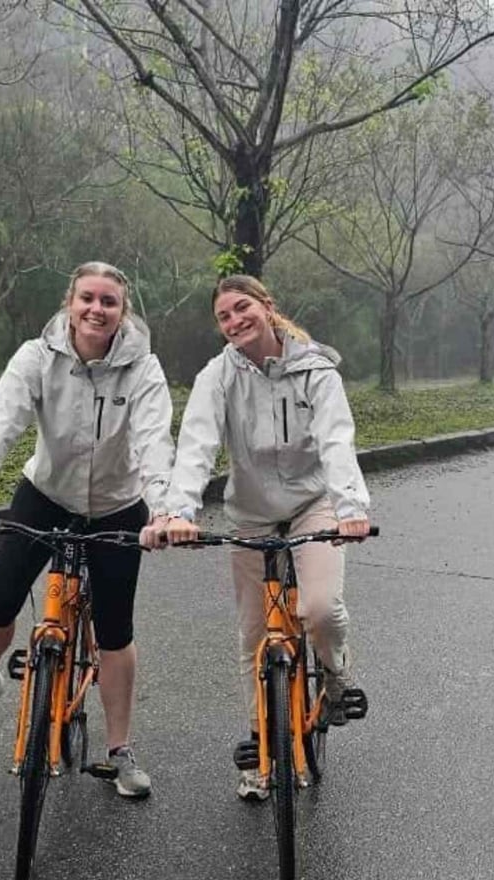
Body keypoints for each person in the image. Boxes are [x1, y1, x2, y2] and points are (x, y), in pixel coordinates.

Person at [0, 261, 173, 799]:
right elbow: (1, 423)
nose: (97, 309)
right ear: (70, 303)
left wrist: (164, 510)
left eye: (109, 301)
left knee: (115, 630)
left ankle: (120, 750)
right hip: (46, 494)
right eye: (87, 298)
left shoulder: (144, 369)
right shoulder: (37, 356)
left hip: (118, 505)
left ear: (123, 311)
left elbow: (153, 442)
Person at [159, 274, 371, 801]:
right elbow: (197, 444)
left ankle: (336, 675)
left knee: (319, 609)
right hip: (252, 514)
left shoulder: (315, 370)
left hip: (312, 505)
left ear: (267, 306)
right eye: (224, 316)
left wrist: (350, 509)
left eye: (242, 308)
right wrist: (180, 510)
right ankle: (262, 745)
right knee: (254, 636)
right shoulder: (217, 376)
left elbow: (336, 439)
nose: (235, 321)